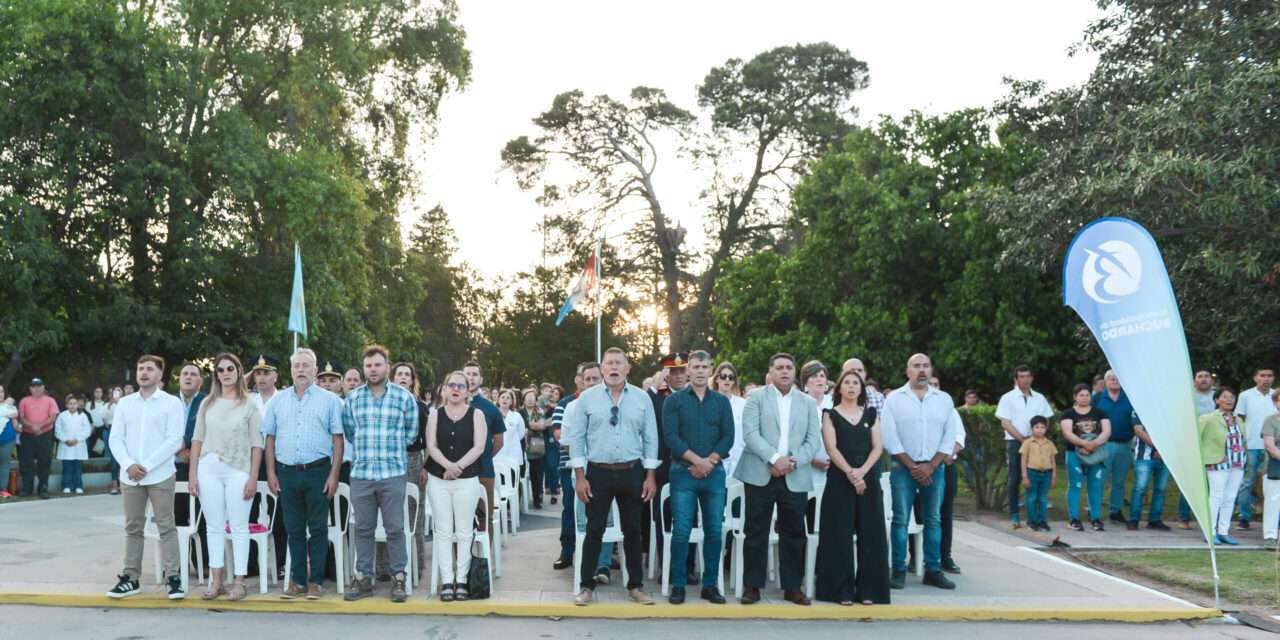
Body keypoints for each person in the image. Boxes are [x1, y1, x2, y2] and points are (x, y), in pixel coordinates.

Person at [565, 347, 660, 606]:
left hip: (632, 472)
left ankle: (636, 587)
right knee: (594, 531)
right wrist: (580, 477)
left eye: (619, 363)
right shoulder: (587, 399)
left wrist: (650, 476)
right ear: (602, 368)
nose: (614, 367)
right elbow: (577, 439)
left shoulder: (642, 399)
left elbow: (651, 438)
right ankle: (586, 587)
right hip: (598, 474)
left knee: (633, 531)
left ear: (628, 368)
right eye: (609, 363)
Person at [735, 352, 822, 605]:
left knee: (794, 532)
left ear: (795, 372)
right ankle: (753, 586)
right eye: (779, 367)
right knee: (756, 531)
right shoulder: (756, 398)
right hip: (761, 472)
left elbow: (813, 439)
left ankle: (793, 587)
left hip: (794, 474)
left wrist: (791, 461)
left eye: (789, 367)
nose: (784, 371)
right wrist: (774, 459)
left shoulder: (807, 403)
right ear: (771, 372)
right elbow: (750, 433)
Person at [262, 348, 345, 600]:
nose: (300, 370)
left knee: (318, 528)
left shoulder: (330, 401)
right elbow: (269, 438)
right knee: (293, 528)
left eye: (305, 365)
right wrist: (271, 473)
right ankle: (298, 581)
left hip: (318, 471)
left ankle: (315, 582)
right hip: (286, 473)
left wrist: (333, 475)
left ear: (315, 370)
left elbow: (338, 440)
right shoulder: (278, 400)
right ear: (291, 369)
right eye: (296, 365)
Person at [106, 355, 186, 600]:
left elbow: (174, 439)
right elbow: (115, 438)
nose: (144, 372)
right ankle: (130, 578)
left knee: (166, 526)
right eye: (140, 368)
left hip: (160, 474)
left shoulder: (171, 403)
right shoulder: (125, 403)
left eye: (149, 369)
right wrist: (129, 465)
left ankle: (173, 578)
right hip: (130, 477)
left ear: (160, 375)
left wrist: (147, 465)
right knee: (133, 528)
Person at [342, 346, 418, 603]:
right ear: (364, 368)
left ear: (387, 366)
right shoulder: (353, 399)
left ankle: (398, 578)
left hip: (392, 473)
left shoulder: (403, 397)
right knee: (363, 528)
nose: (373, 369)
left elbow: (410, 433)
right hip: (362, 474)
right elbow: (351, 432)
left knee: (395, 528)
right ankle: (363, 578)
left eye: (377, 365)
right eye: (368, 366)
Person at [880, 354, 959, 591]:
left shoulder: (943, 400)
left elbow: (949, 435)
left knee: (933, 519)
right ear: (908, 371)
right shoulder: (894, 399)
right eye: (916, 366)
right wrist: (913, 466)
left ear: (931, 369)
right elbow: (889, 436)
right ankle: (899, 570)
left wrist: (931, 465)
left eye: (925, 366)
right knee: (901, 519)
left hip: (935, 469)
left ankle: (932, 570)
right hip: (903, 468)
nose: (921, 370)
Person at [189, 353, 263, 601]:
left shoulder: (250, 404)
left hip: (239, 470)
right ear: (216, 375)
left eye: (230, 368)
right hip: (208, 468)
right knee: (213, 527)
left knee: (239, 527)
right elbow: (197, 439)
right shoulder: (206, 403)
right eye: (220, 370)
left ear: (239, 371)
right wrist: (192, 475)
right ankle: (217, 580)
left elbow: (256, 444)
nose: (225, 373)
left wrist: (253, 477)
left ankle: (239, 581)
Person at [662, 350, 733, 605]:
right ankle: (678, 585)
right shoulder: (674, 402)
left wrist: (709, 462)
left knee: (714, 531)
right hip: (683, 473)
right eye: (696, 366)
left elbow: (728, 437)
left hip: (714, 474)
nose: (701, 371)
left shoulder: (721, 402)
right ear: (688, 370)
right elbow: (671, 437)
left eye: (705, 366)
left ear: (710, 369)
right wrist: (696, 461)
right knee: (681, 531)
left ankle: (710, 585)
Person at [815, 369, 890, 606]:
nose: (851, 386)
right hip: (840, 480)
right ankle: (840, 591)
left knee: (872, 535)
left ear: (861, 388)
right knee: (838, 536)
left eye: (855, 383)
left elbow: (878, 447)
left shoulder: (871, 413)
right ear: (839, 388)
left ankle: (869, 591)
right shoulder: (830, 415)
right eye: (846, 382)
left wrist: (862, 473)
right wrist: (850, 473)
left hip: (867, 479)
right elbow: (831, 448)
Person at [424, 371, 486, 601]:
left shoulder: (476, 414)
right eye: (452, 385)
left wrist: (458, 466)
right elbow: (431, 445)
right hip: (439, 480)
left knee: (463, 531)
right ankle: (447, 581)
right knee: (442, 531)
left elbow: (479, 446)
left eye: (461, 385)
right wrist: (447, 466)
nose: (456, 389)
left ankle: (462, 580)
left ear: (468, 390)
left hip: (467, 479)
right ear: (445, 389)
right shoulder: (435, 415)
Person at [552, 364, 614, 580]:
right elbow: (567, 441)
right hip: (579, 471)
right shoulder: (571, 407)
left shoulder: (613, 404)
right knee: (580, 520)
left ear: (602, 379)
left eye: (595, 379)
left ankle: (603, 565)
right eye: (587, 379)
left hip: (607, 470)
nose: (591, 383)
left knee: (607, 520)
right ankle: (581, 562)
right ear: (581, 381)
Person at [995, 365, 1055, 530]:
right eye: (1021, 376)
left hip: (1037, 442)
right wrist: (1023, 439)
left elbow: (1046, 419)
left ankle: (1036, 518)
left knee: (1036, 479)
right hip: (1016, 442)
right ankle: (1014, 514)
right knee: (1015, 478)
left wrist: (1038, 436)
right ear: (1016, 379)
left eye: (1028, 376)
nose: (1025, 379)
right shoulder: (1008, 397)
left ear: (1032, 378)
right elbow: (1005, 422)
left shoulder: (1039, 397)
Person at [388, 361, 429, 582]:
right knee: (389, 513)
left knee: (414, 514)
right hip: (388, 460)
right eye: (399, 374)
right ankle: (387, 567)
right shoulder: (384, 403)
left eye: (407, 374)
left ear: (412, 380)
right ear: (392, 378)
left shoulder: (420, 407)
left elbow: (429, 442)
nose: (403, 377)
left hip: (413, 460)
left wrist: (426, 467)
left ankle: (416, 564)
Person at [1059, 384, 1112, 532]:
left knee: (1095, 486)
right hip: (1074, 453)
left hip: (1096, 454)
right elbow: (1068, 433)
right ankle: (1074, 519)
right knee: (1075, 485)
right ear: (1075, 397)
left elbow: (1107, 431)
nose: (1084, 398)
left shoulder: (1100, 413)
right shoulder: (1067, 414)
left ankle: (1095, 518)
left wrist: (1094, 444)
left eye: (1087, 395)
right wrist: (1084, 444)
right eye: (1081, 395)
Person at [462, 362, 506, 534]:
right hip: (458, 473)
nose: (471, 378)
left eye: (474, 374)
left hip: (484, 471)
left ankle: (483, 560)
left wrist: (484, 455)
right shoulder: (453, 404)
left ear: (481, 379)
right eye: (467, 374)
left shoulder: (490, 408)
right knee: (459, 520)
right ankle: (462, 560)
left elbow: (499, 442)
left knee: (483, 518)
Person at [172, 362, 207, 570]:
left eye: (193, 374)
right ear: (179, 378)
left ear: (200, 380)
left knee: (200, 517)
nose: (188, 377)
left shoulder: (206, 402)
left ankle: (202, 563)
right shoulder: (168, 401)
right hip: (172, 467)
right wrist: (178, 450)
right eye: (185, 373)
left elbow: (210, 433)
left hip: (198, 468)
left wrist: (192, 454)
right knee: (177, 517)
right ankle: (177, 565)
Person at [1200, 387, 1246, 545]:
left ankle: (1223, 531)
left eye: (1232, 397)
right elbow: (1197, 440)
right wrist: (1205, 459)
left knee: (1230, 498)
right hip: (1218, 462)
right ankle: (1209, 532)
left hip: (1237, 463)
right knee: (1216, 497)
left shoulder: (1238, 419)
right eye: (1225, 397)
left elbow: (1242, 440)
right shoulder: (1208, 418)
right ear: (1217, 400)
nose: (1229, 400)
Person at [1234, 367, 1275, 531]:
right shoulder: (1246, 396)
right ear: (1255, 378)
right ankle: (1244, 517)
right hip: (1250, 445)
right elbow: (1239, 418)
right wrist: (1242, 439)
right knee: (1248, 482)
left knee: (1271, 483)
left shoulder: (1276, 396)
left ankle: (1271, 518)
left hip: (1271, 447)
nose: (1266, 378)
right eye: (1262, 375)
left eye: (1269, 376)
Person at [1093, 371, 1135, 525]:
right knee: (1100, 480)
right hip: (1104, 445)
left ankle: (1115, 511)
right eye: (1111, 379)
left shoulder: (1130, 398)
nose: (1115, 381)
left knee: (1119, 481)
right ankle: (1095, 512)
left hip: (1125, 445)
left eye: (1118, 379)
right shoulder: (1097, 398)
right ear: (1106, 381)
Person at [1178, 370, 1218, 528]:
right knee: (1191, 481)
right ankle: (1184, 517)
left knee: (1212, 483)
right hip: (1192, 442)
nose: (1204, 379)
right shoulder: (1188, 395)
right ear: (1194, 380)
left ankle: (1208, 520)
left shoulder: (1218, 396)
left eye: (1207, 376)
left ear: (1212, 380)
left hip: (1213, 443)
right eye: (1200, 376)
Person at [1128, 411, 1171, 531]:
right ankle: (1134, 519)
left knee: (1160, 490)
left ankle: (1155, 520)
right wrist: (1159, 447)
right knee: (1140, 488)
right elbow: (1138, 430)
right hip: (1144, 456)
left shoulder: (1169, 408)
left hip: (1166, 457)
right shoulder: (1139, 406)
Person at [17, 377, 60, 498]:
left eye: (39, 386)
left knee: (45, 462)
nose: (36, 388)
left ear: (43, 387)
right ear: (30, 388)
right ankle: (27, 488)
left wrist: (39, 427)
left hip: (45, 435)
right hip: (27, 435)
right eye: (34, 386)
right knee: (26, 462)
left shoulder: (50, 400)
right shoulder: (24, 401)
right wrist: (32, 426)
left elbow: (52, 417)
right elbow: (21, 417)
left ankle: (43, 489)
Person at [1019, 416, 1057, 531]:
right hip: (1032, 473)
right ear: (1032, 429)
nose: (1040, 430)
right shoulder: (1027, 443)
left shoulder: (1049, 444)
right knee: (1032, 497)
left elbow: (1053, 460)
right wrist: (1025, 476)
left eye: (1043, 427)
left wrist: (1054, 476)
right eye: (1037, 427)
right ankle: (1032, 521)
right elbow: (1023, 460)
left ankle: (1042, 521)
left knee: (1043, 498)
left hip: (1047, 474)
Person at [713, 362, 747, 479]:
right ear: (717, 379)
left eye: (731, 377)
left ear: (734, 381)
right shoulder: (708, 402)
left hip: (739, 461)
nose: (727, 380)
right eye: (723, 376)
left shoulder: (743, 404)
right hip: (714, 462)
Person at [55, 393, 91, 494]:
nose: (72, 405)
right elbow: (58, 430)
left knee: (78, 468)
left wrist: (77, 439)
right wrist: (65, 439)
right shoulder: (62, 416)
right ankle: (66, 486)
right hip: (66, 445)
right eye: (70, 403)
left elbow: (87, 430)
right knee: (67, 468)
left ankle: (78, 486)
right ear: (66, 405)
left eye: (74, 403)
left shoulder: (83, 416)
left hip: (78, 445)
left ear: (77, 405)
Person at [521, 389, 548, 508]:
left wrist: (528, 426)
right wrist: (533, 426)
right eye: (528, 397)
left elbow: (542, 425)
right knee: (521, 474)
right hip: (522, 447)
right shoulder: (519, 412)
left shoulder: (539, 411)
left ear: (536, 400)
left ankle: (538, 498)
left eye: (532, 397)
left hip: (536, 447)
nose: (530, 399)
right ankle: (521, 500)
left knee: (536, 475)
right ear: (524, 399)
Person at [1260, 392, 1280, 549]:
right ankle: (1270, 536)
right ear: (1275, 402)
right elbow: (1270, 446)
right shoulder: (1270, 421)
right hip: (1275, 467)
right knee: (1273, 502)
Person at [0, 386, 16, 499]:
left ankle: (3, 489)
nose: (0, 394)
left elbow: (15, 414)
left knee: (4, 464)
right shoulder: (7, 408)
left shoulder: (10, 406)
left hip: (7, 439)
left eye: (1, 391)